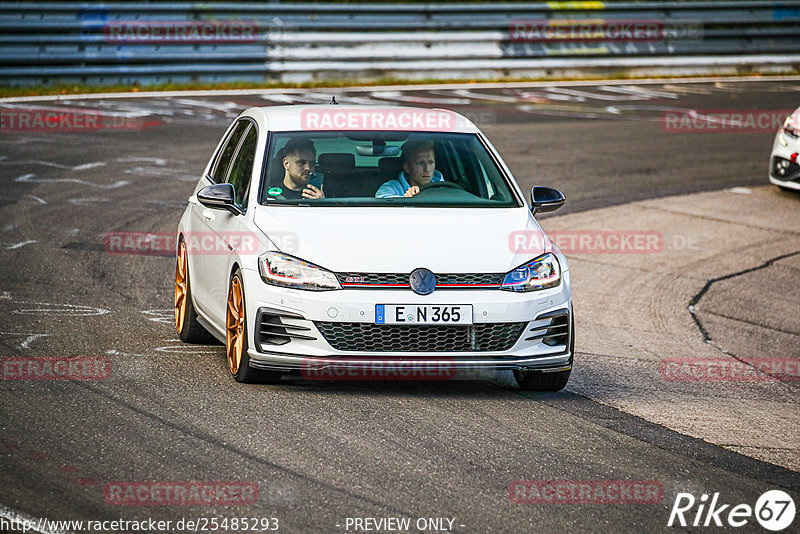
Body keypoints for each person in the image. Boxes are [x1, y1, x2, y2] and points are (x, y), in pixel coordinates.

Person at [375, 139, 444, 198]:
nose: (427, 169)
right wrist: (406, 201)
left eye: (430, 162)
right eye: (420, 163)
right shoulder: (391, 188)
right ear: (407, 168)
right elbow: (382, 201)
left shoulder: (444, 188)